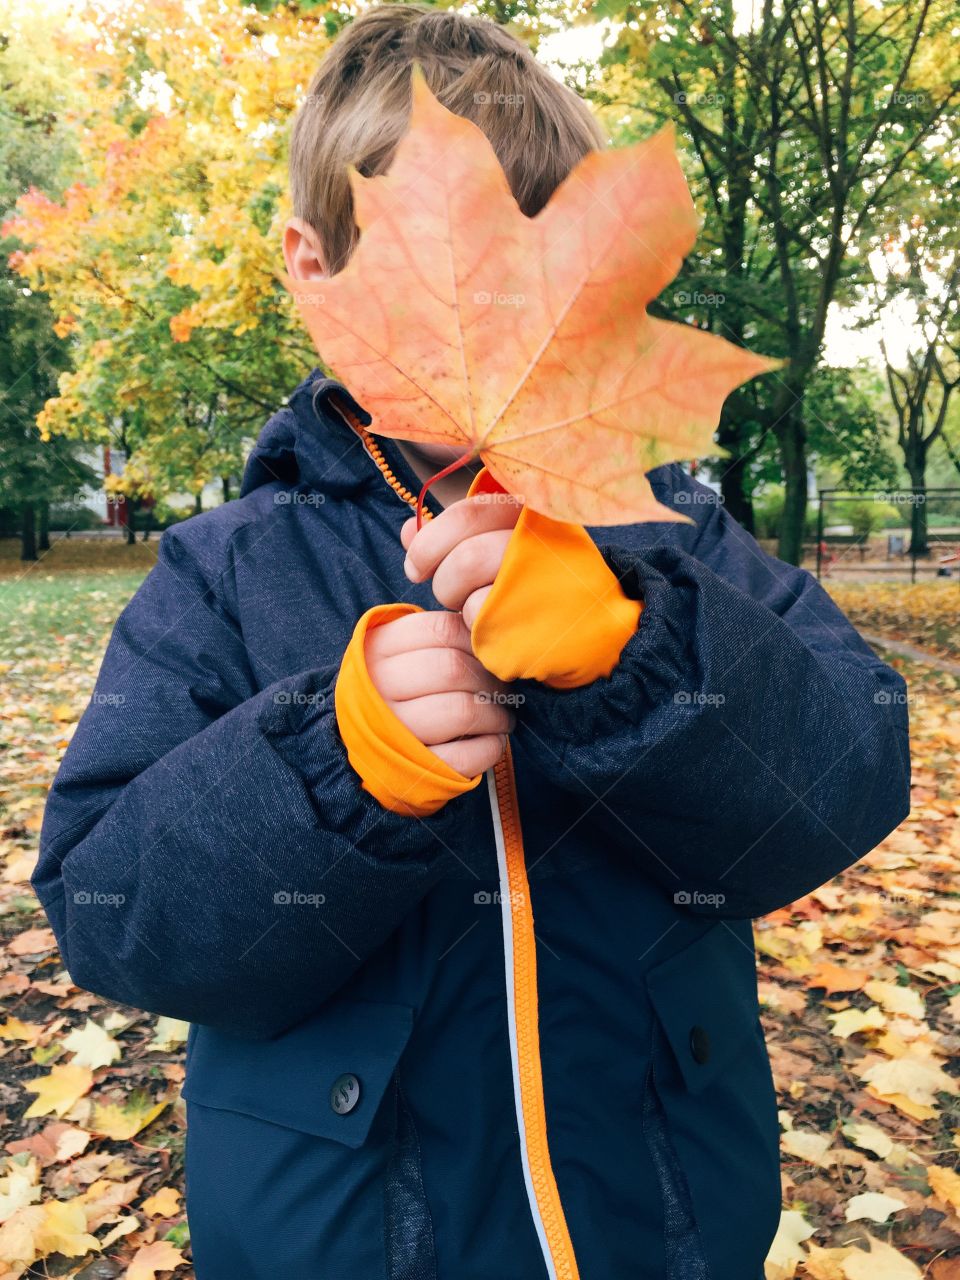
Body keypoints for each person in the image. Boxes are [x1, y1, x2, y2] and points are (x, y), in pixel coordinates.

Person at [34, 8, 911, 1279]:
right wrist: (337, 768)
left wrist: (642, 656)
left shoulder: (665, 535)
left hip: (658, 1214)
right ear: (311, 266)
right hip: (337, 1233)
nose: (488, 316)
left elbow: (846, 776)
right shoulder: (222, 572)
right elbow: (112, 910)